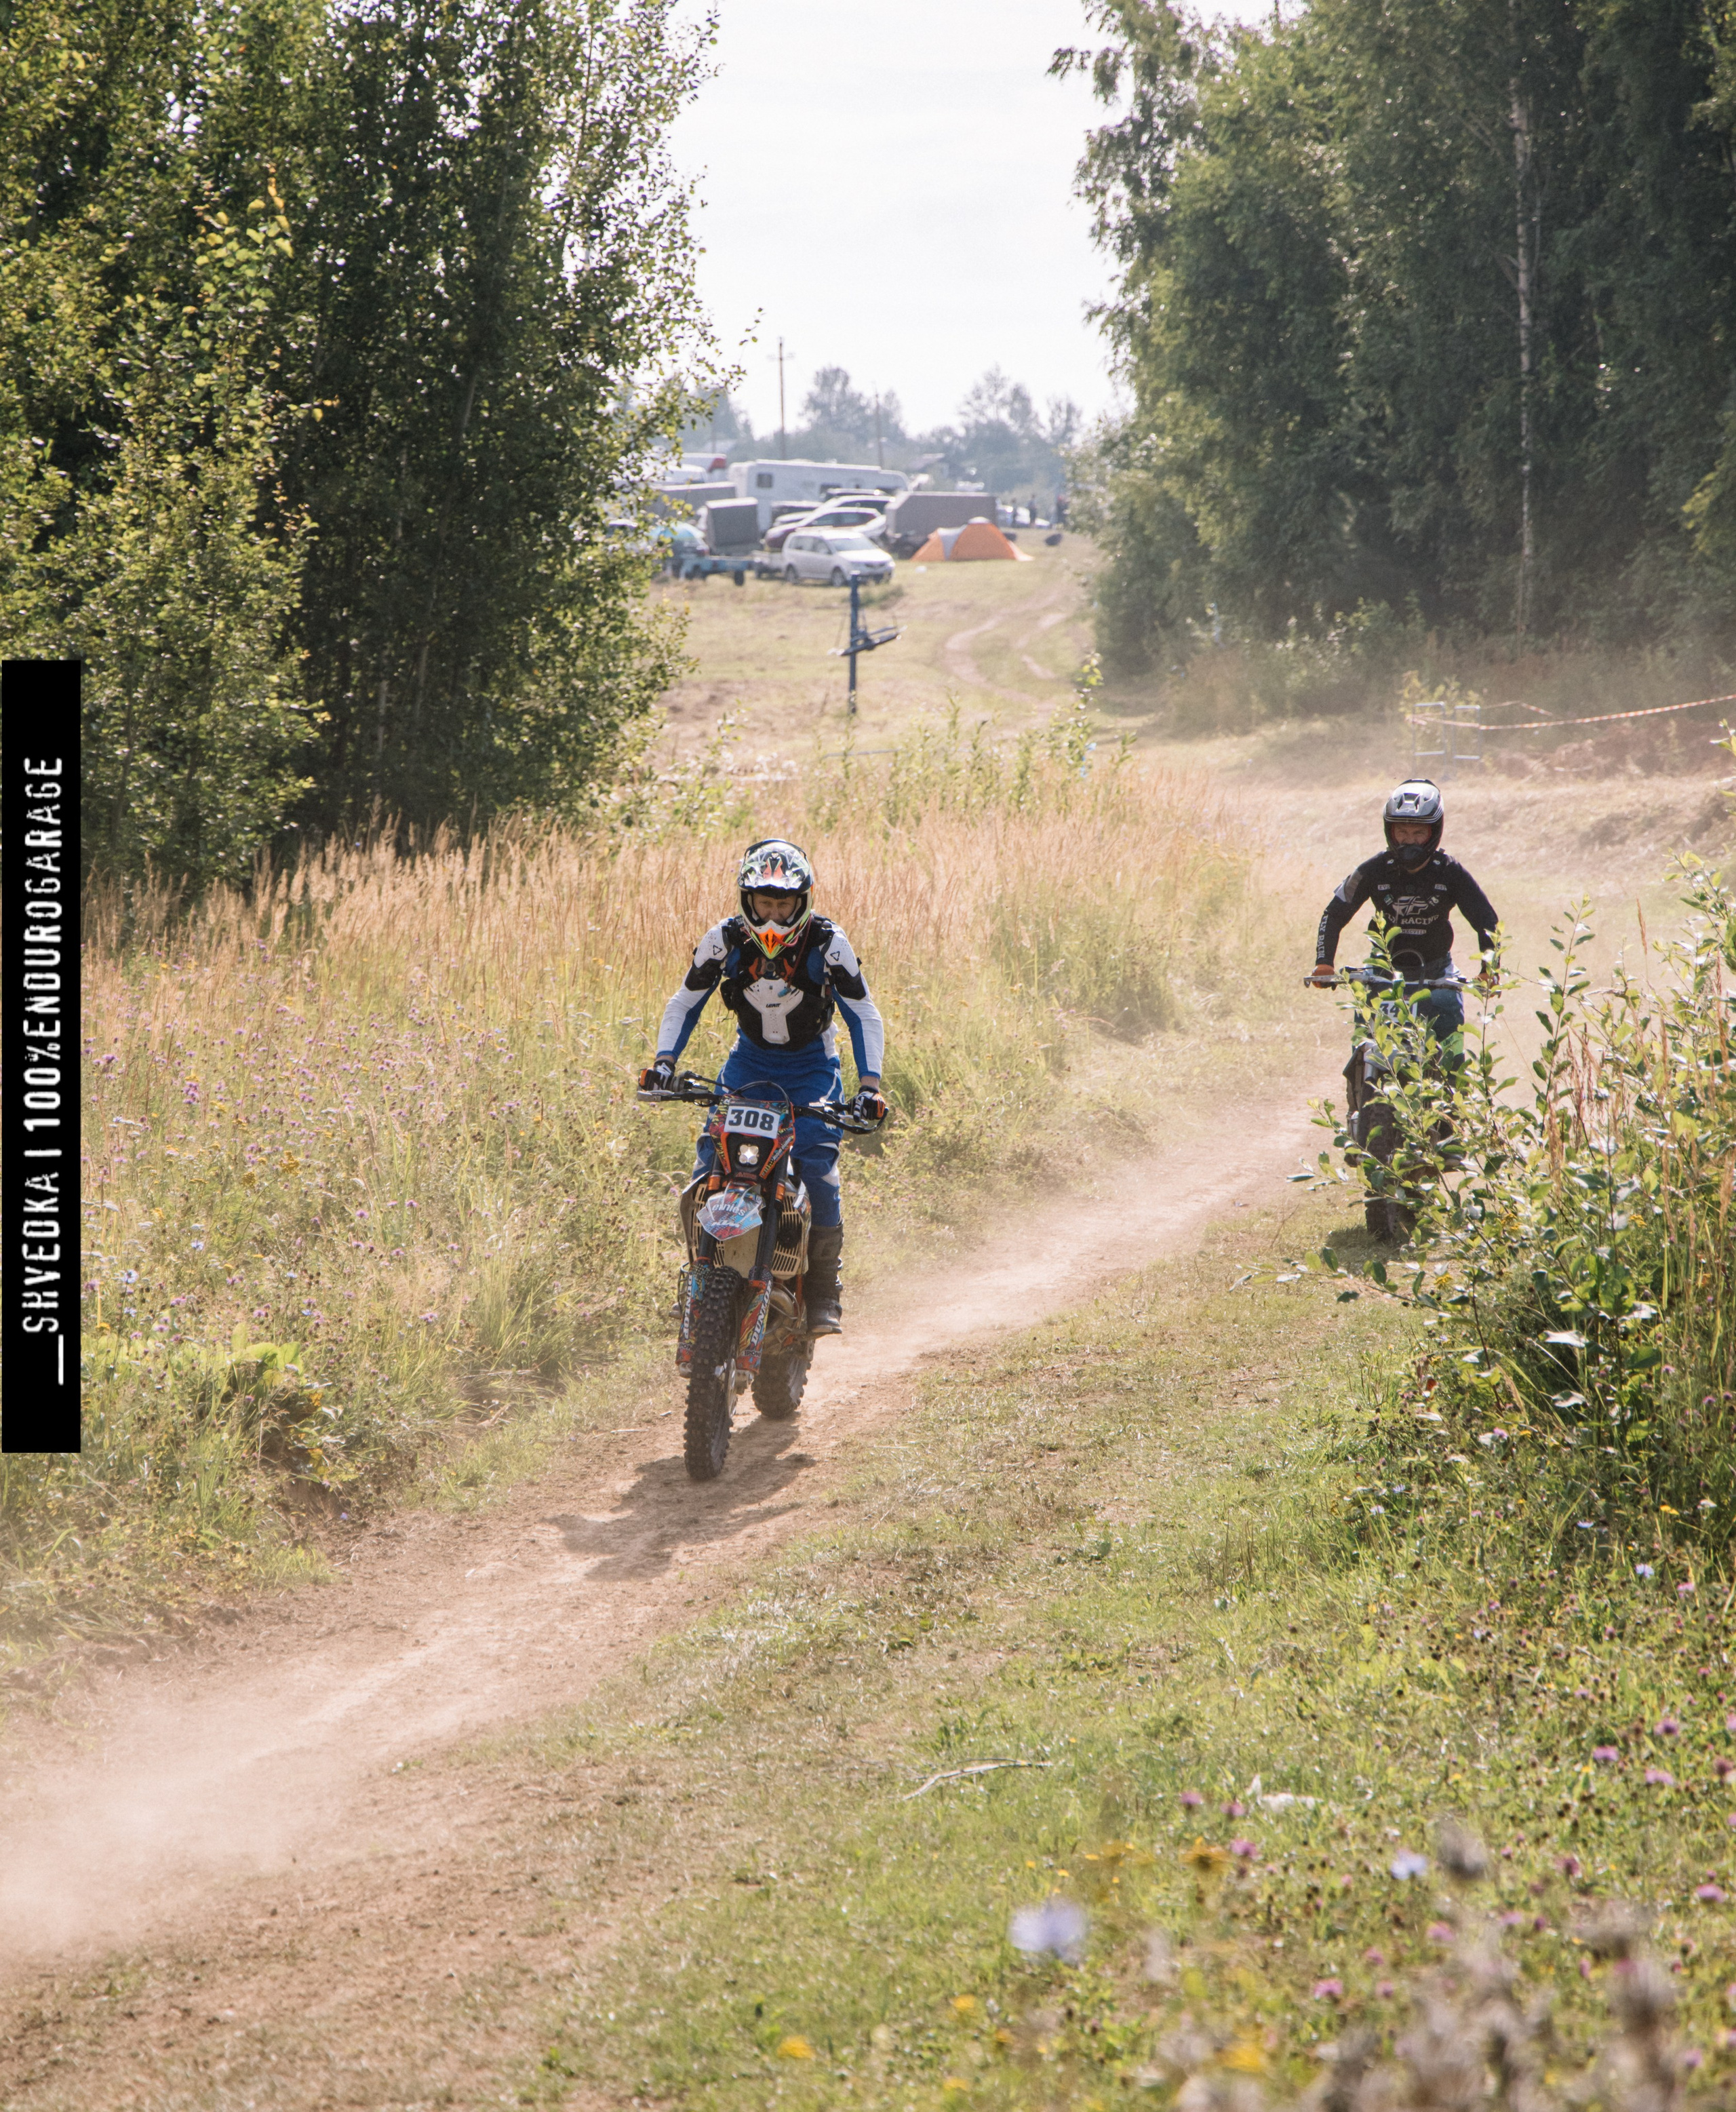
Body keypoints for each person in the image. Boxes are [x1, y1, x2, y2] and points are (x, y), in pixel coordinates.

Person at [639, 839, 887, 1335]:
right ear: (747, 900)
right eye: (765, 903)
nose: (773, 915)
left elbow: (863, 1013)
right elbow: (685, 1002)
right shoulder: (724, 939)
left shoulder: (828, 943)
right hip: (747, 1065)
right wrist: (664, 1064)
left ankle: (824, 1290)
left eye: (784, 905)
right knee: (711, 1160)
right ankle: (699, 1280)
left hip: (812, 1068)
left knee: (816, 1162)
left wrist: (869, 1087)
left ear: (802, 901)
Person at [1309, 779, 1499, 1045]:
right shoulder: (1373, 869)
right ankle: (1362, 1070)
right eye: (1402, 832)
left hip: (1438, 976)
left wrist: (1489, 969)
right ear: (1390, 831)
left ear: (1434, 832)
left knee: (1450, 1049)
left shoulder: (1450, 871)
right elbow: (1335, 913)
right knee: (1366, 1044)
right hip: (1381, 971)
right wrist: (1324, 962)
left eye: (1418, 833)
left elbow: (1486, 920)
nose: (1410, 841)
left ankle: (1450, 1073)